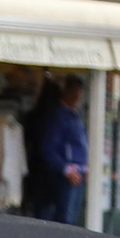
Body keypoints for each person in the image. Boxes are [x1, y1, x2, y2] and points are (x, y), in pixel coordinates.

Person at [32, 77, 89, 224]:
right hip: (66, 176)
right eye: (74, 93)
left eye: (79, 94)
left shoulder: (76, 116)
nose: (77, 97)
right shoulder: (58, 117)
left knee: (71, 219)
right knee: (65, 219)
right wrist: (66, 169)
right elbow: (49, 149)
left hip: (79, 174)